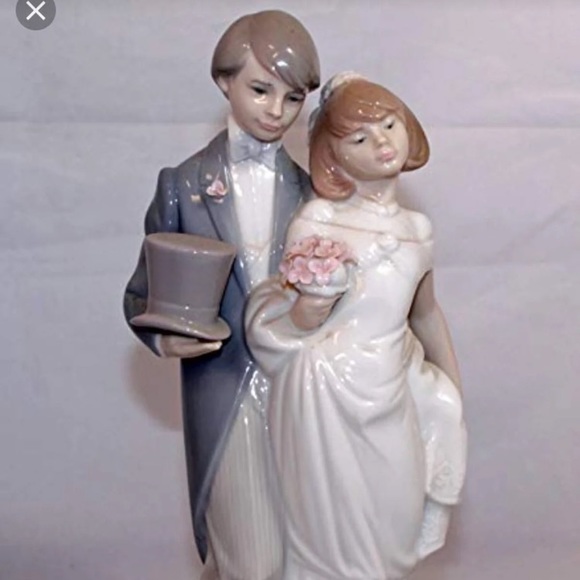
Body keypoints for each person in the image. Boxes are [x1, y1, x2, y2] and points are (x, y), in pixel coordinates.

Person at [123, 11, 320, 580]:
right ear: (224, 81)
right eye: (261, 90)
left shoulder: (311, 193)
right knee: (255, 560)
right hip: (225, 385)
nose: (276, 110)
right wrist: (166, 337)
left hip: (299, 392)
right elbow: (141, 294)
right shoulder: (183, 185)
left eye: (292, 98)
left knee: (298, 550)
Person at [245, 74, 467, 580]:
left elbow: (424, 312)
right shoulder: (317, 220)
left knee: (397, 523)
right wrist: (308, 308)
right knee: (328, 534)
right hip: (326, 390)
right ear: (333, 155)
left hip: (390, 386)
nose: (382, 142)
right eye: (360, 137)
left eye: (389, 125)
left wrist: (453, 385)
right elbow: (289, 309)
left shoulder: (418, 230)